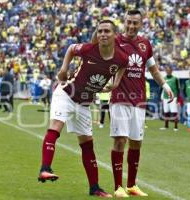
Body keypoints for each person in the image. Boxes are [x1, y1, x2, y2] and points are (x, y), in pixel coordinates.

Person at [38, 20, 128, 198]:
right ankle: (45, 169)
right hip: (66, 94)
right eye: (100, 31)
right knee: (56, 126)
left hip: (84, 103)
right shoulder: (89, 49)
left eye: (107, 31)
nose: (103, 34)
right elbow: (71, 48)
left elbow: (123, 65)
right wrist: (63, 69)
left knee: (87, 144)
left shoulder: (121, 58)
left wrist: (116, 82)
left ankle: (94, 188)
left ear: (114, 35)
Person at [107, 10, 174, 197]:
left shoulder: (145, 44)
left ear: (140, 24)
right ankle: (117, 187)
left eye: (135, 23)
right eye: (128, 22)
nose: (131, 26)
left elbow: (153, 70)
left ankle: (131, 185)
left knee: (136, 142)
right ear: (124, 21)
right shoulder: (115, 42)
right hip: (120, 99)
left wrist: (165, 85)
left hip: (139, 101)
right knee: (120, 140)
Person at [160, 66, 180, 131]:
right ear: (165, 71)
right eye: (167, 70)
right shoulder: (163, 78)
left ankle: (176, 127)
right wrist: (160, 97)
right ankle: (166, 126)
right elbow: (161, 88)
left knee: (174, 112)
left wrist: (178, 98)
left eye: (169, 70)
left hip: (173, 98)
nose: (168, 71)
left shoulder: (175, 79)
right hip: (165, 97)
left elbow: (178, 89)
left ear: (171, 71)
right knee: (166, 112)